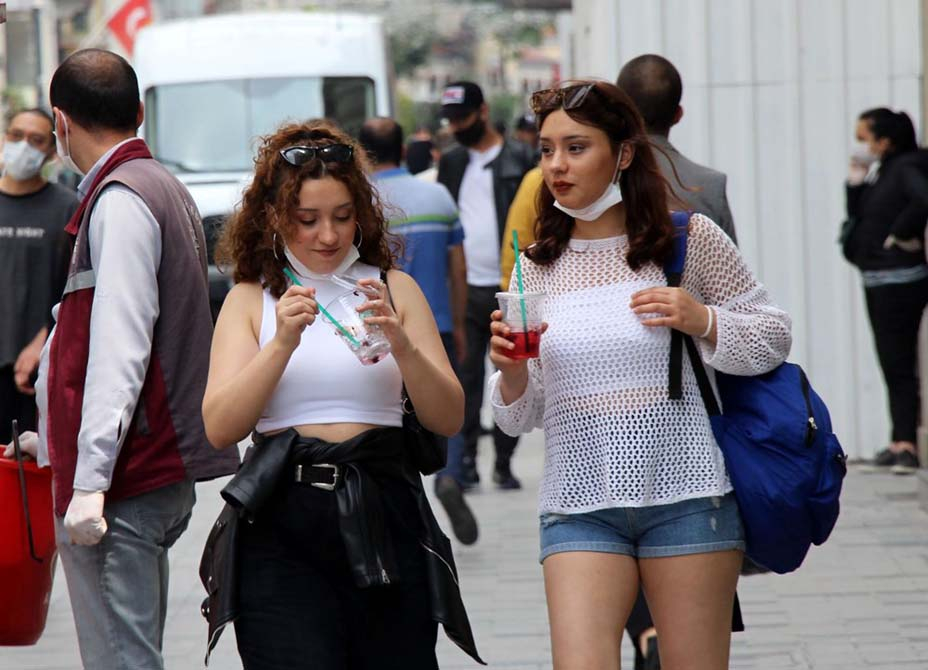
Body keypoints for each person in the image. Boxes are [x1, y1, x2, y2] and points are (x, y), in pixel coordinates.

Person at [488, 80, 792, 670]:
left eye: (576, 148)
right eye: (546, 150)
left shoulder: (685, 240)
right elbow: (516, 418)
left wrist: (701, 318)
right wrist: (511, 374)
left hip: (690, 499)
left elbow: (772, 337)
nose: (556, 165)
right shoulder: (535, 267)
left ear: (623, 153)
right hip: (578, 505)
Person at [202, 119, 482, 668]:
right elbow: (221, 425)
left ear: (363, 215)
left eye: (342, 217)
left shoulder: (393, 287)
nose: (327, 236)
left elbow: (448, 416)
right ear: (275, 217)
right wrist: (281, 340)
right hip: (282, 522)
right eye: (306, 220)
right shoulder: (249, 299)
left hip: (384, 507)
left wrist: (402, 343)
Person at [3, 49, 241, 670]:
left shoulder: (121, 199)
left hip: (122, 484)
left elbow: (121, 346)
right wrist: (51, 442)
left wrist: (88, 483)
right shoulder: (157, 186)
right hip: (139, 473)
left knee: (122, 661)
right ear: (138, 112)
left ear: (60, 121)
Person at [359, 116, 478, 545]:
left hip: (370, 326)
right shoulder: (438, 196)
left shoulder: (360, 203)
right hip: (436, 322)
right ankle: (449, 474)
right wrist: (460, 321)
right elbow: (458, 268)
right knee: (446, 402)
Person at [437, 80, 536, 491]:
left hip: (506, 287)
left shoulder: (522, 159)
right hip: (464, 287)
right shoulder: (452, 162)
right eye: (451, 120)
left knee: (512, 374)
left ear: (483, 112)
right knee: (466, 380)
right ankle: (467, 465)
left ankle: (504, 462)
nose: (456, 126)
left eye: (463, 118)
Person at [843, 107, 928, 474]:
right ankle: (900, 439)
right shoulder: (886, 171)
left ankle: (906, 443)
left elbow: (923, 199)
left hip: (897, 280)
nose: (861, 146)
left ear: (885, 140)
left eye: (865, 139)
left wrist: (902, 236)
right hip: (879, 278)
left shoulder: (906, 167)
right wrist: (856, 184)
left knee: (897, 360)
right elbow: (861, 217)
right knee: (892, 360)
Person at [0, 108, 77, 445]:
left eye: (36, 140)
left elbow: (74, 293)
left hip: (36, 371)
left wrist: (43, 341)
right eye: (16, 136)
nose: (23, 146)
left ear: (50, 151)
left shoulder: (67, 208)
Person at [617, 54, 737, 243]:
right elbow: (730, 269)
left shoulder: (598, 181)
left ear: (619, 111)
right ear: (678, 115)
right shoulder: (710, 186)